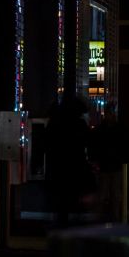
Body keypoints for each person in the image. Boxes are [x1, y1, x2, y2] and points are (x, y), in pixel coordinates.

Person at [44, 92, 92, 228]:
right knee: (73, 203)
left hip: (57, 169)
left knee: (60, 204)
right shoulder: (80, 124)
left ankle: (60, 227)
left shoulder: (54, 123)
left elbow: (47, 144)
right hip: (75, 169)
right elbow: (88, 143)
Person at [89, 110, 129, 222]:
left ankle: (100, 218)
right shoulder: (119, 129)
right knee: (115, 194)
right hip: (115, 165)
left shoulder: (100, 130)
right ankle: (115, 217)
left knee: (104, 193)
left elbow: (94, 146)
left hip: (106, 165)